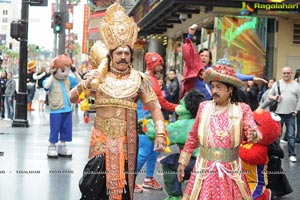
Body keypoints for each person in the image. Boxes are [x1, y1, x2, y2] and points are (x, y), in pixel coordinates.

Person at [69, 3, 167, 200]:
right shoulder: (99, 77)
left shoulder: (139, 79)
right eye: (118, 53)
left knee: (122, 191)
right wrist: (84, 84)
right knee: (93, 186)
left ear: (131, 55)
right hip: (101, 141)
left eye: (126, 53)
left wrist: (160, 134)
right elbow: (72, 98)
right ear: (111, 55)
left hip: (126, 143)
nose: (123, 56)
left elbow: (155, 107)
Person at [177, 64, 262, 200]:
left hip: (231, 171)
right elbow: (193, 137)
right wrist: (182, 163)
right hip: (204, 169)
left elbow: (252, 130)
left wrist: (253, 134)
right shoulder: (204, 107)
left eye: (219, 87)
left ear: (230, 90)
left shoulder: (242, 109)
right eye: (212, 86)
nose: (214, 91)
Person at [134, 52, 178, 193]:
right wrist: (178, 108)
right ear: (153, 64)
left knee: (153, 150)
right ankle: (129, 180)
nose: (161, 66)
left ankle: (148, 178)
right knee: (145, 151)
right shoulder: (149, 80)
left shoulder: (148, 78)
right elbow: (161, 102)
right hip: (144, 120)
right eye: (159, 63)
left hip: (147, 119)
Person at [43, 54, 81, 158]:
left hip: (67, 109)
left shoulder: (69, 79)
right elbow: (46, 87)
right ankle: (51, 146)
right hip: (56, 110)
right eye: (63, 71)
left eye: (68, 70)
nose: (66, 73)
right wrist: (52, 74)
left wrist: (75, 72)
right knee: (55, 129)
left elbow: (81, 83)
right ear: (55, 70)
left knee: (66, 128)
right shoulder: (51, 80)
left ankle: (62, 145)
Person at [268, 66, 300, 162]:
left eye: (288, 73)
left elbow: (299, 99)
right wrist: (275, 97)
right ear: (282, 74)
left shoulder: (297, 85)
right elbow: (269, 96)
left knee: (290, 136)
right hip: (278, 114)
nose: (286, 74)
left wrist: (296, 110)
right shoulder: (277, 83)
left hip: (291, 114)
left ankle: (292, 154)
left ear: (291, 73)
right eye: (284, 73)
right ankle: (275, 154)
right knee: (276, 135)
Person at [180, 24, 204, 99]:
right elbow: (188, 52)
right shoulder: (193, 71)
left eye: (206, 56)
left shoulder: (211, 70)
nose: (203, 58)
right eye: (202, 55)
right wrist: (190, 36)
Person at [294, 69, 300, 143]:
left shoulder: (295, 81)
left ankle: (298, 138)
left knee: (292, 123)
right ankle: (298, 138)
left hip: (295, 105)